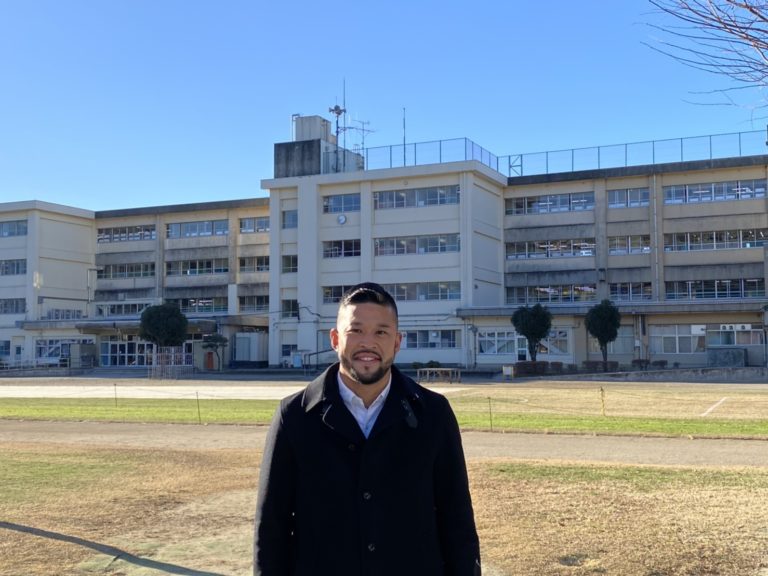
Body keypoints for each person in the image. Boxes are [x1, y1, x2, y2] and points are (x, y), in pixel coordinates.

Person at [254, 282, 481, 576]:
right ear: (335, 338)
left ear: (397, 342)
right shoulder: (294, 417)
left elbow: (457, 519)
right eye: (356, 330)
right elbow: (272, 526)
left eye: (381, 332)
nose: (368, 343)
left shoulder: (434, 415)